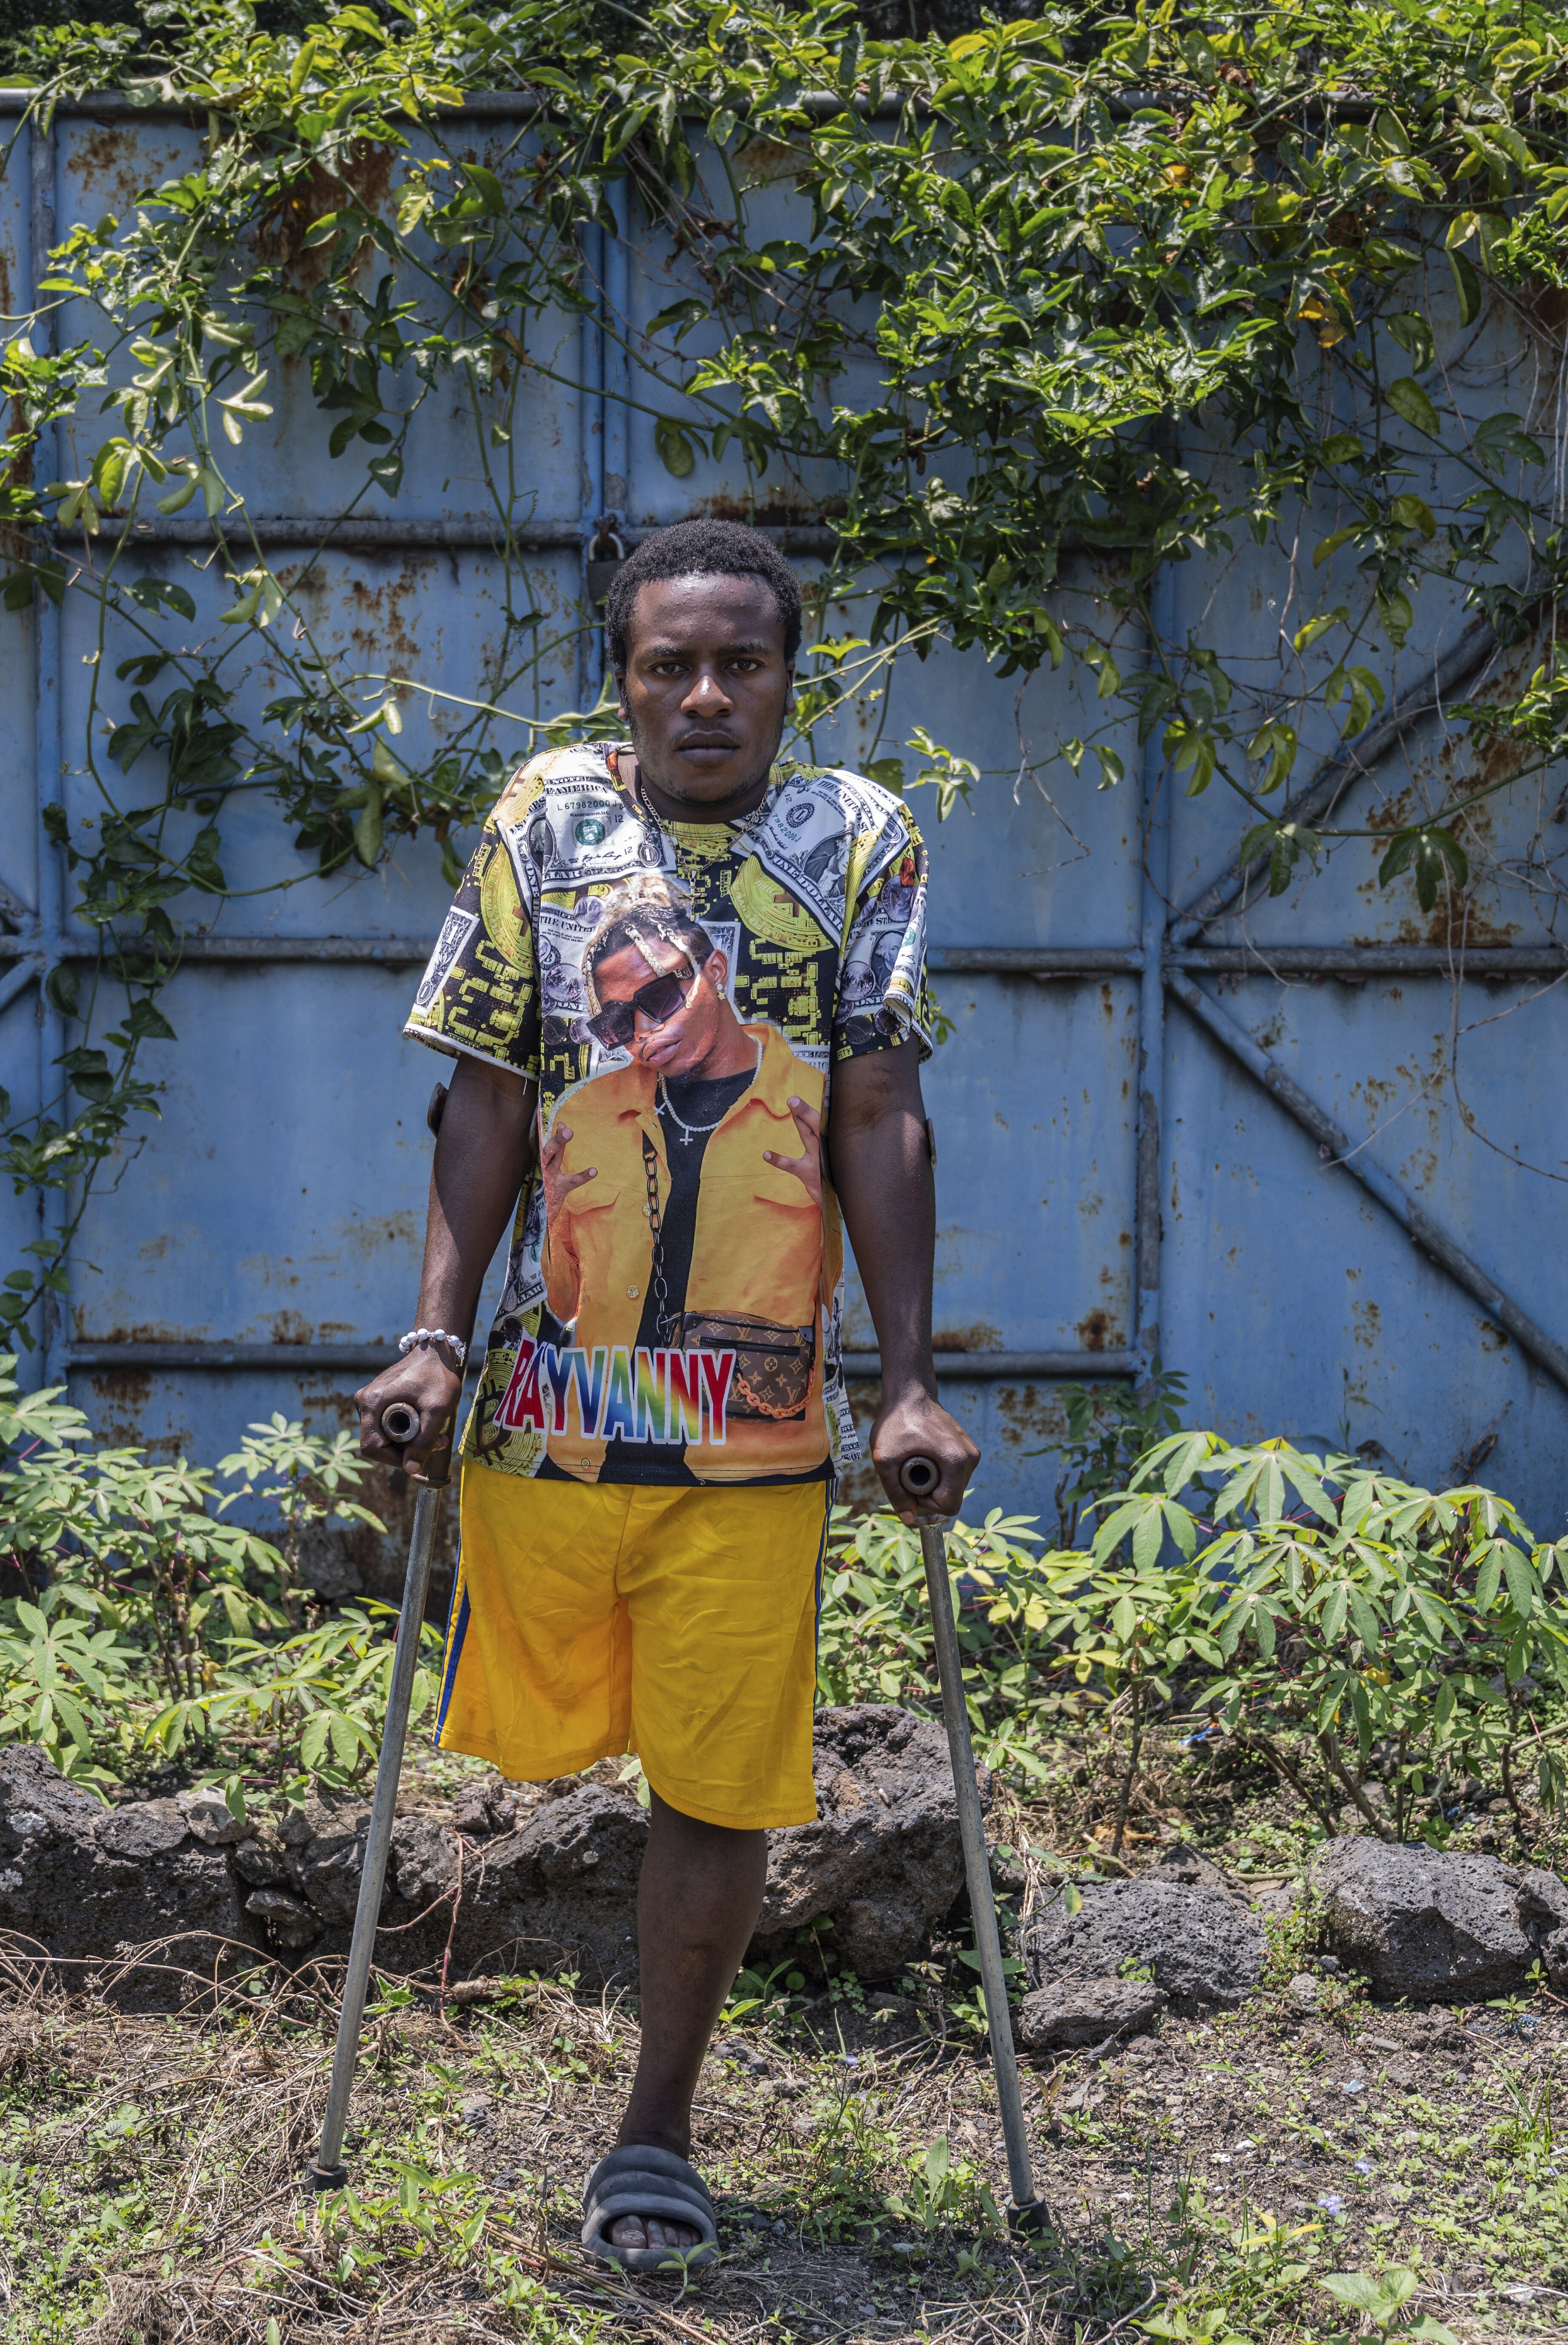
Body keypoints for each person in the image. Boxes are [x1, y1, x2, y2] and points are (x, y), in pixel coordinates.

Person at [354, 516, 979, 2274]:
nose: (706, 693)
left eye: (742, 663)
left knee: (718, 1779)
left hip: (757, 1433)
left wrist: (909, 1384)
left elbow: (882, 1112)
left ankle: (657, 2129)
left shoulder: (860, 838)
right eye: (668, 664)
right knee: (535, 1758)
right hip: (550, 1417)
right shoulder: (546, 817)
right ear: (622, 679)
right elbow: (483, 1090)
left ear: (792, 674)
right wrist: (432, 1337)